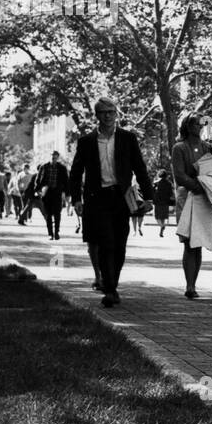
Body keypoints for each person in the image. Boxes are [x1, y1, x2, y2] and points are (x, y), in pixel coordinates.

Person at [69, 97, 153, 308]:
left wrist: (149, 197)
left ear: (116, 114)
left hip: (121, 197)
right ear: (96, 116)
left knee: (120, 243)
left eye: (111, 112)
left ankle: (112, 283)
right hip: (97, 198)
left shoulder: (127, 139)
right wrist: (76, 200)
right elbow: (76, 173)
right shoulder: (87, 142)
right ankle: (110, 288)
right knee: (105, 242)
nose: (107, 116)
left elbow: (140, 168)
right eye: (103, 112)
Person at [172, 111, 212, 299]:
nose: (199, 127)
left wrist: (209, 187)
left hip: (205, 198)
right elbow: (179, 175)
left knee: (199, 241)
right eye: (196, 124)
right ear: (187, 126)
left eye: (202, 124)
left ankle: (194, 284)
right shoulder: (179, 148)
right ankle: (189, 285)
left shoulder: (211, 147)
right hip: (188, 196)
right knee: (189, 242)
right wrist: (198, 185)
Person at [34, 151, 70, 240]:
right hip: (47, 192)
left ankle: (56, 232)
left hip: (57, 192)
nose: (53, 157)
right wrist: (37, 190)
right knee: (48, 213)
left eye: (55, 156)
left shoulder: (62, 168)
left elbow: (66, 181)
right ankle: (50, 233)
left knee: (57, 213)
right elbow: (38, 179)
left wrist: (67, 193)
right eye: (51, 156)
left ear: (58, 157)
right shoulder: (44, 167)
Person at [152, 168, 174, 238]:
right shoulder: (169, 184)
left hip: (157, 202)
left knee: (157, 217)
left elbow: (152, 192)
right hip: (165, 202)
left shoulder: (156, 183)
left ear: (159, 175)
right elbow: (170, 193)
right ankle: (162, 229)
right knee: (163, 217)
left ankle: (162, 226)